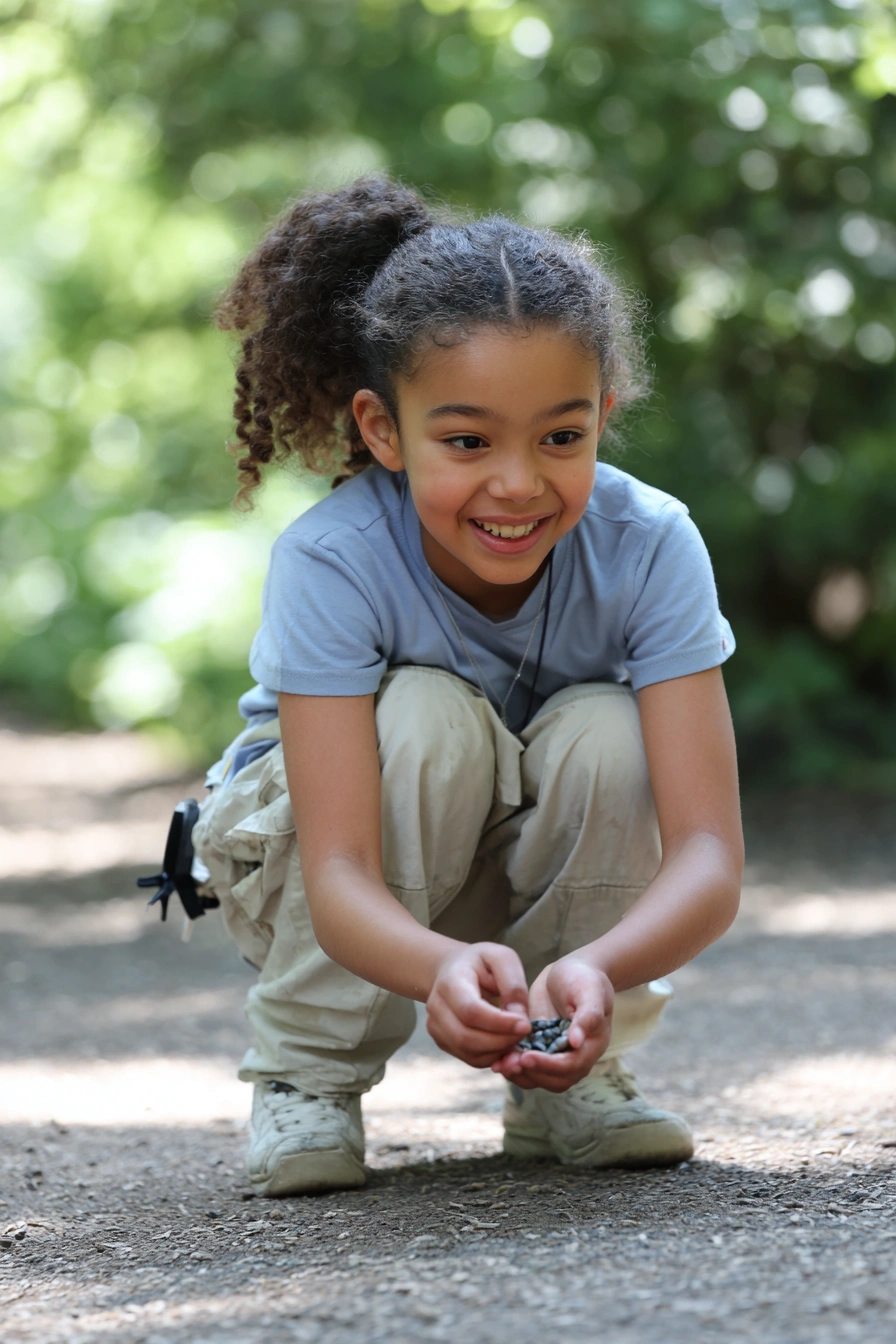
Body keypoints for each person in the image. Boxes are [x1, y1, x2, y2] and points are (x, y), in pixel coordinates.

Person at [191, 177, 744, 1198]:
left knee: (604, 729)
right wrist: (433, 967)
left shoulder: (651, 543)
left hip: (505, 859)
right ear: (383, 430)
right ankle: (305, 1077)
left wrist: (601, 972)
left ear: (601, 417)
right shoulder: (334, 560)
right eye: (466, 441)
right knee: (428, 713)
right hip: (326, 871)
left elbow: (709, 852)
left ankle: (560, 1066)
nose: (518, 482)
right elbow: (345, 868)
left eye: (560, 436)